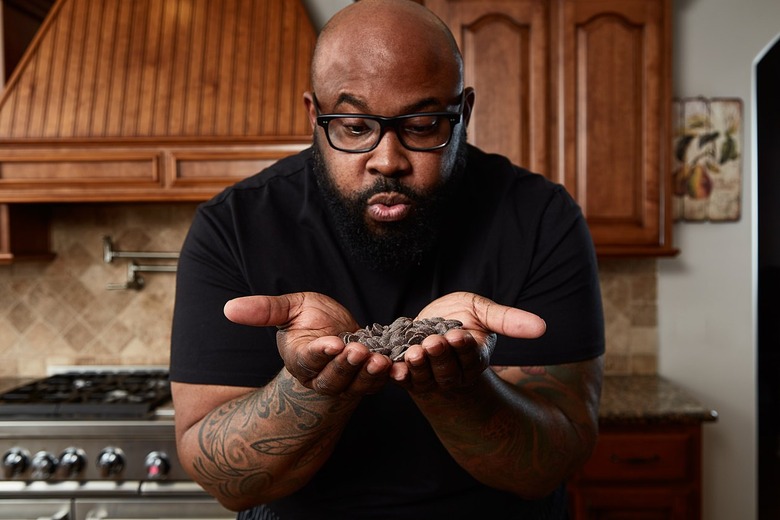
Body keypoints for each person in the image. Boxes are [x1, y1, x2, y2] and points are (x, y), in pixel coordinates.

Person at [169, 0, 605, 518]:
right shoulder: (235, 224)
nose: (387, 160)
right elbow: (226, 482)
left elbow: (553, 461)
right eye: (354, 127)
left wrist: (459, 389)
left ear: (462, 112)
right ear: (315, 115)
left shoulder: (540, 217)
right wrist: (312, 387)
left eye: (421, 125)